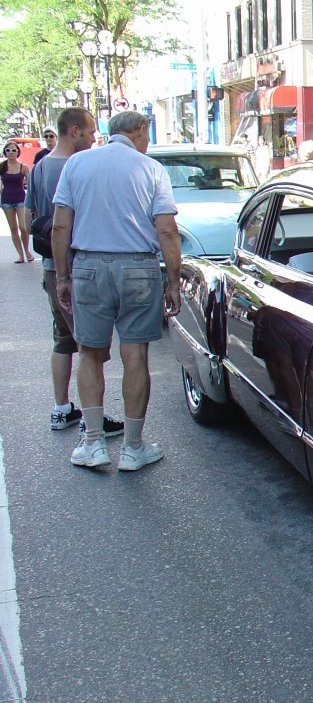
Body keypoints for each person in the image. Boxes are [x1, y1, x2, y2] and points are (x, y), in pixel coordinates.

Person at [51, 110, 182, 471]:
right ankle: (132, 447)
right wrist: (173, 280)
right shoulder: (150, 169)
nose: (147, 141)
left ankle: (94, 443)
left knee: (89, 353)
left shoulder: (77, 165)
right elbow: (167, 230)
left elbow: (61, 226)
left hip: (89, 266)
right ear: (139, 131)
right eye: (147, 134)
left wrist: (63, 276)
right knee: (134, 355)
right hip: (138, 267)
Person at [27, 107, 123, 436]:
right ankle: (91, 421)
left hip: (50, 266)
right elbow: (69, 221)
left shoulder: (39, 167)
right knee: (89, 346)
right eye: (91, 130)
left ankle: (61, 408)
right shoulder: (77, 166)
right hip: (73, 265)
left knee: (62, 340)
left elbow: (30, 221)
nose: (95, 136)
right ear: (74, 131)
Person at [2, 140, 32, 262]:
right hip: (6, 200)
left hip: (20, 198)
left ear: (17, 152)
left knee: (23, 227)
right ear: (5, 152)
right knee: (13, 228)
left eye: (14, 150)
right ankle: (20, 255)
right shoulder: (2, 166)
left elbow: (30, 183)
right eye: (8, 150)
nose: (11, 152)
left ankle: (27, 251)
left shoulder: (23, 167)